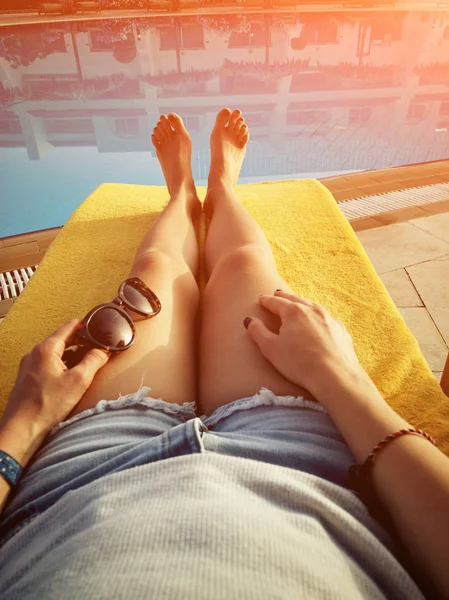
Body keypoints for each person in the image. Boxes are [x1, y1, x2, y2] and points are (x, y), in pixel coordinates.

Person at [0, 108, 448, 599]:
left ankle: (191, 195)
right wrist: (343, 378)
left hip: (83, 478)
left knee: (157, 267)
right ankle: (215, 190)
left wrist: (23, 425)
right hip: (303, 467)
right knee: (243, 266)